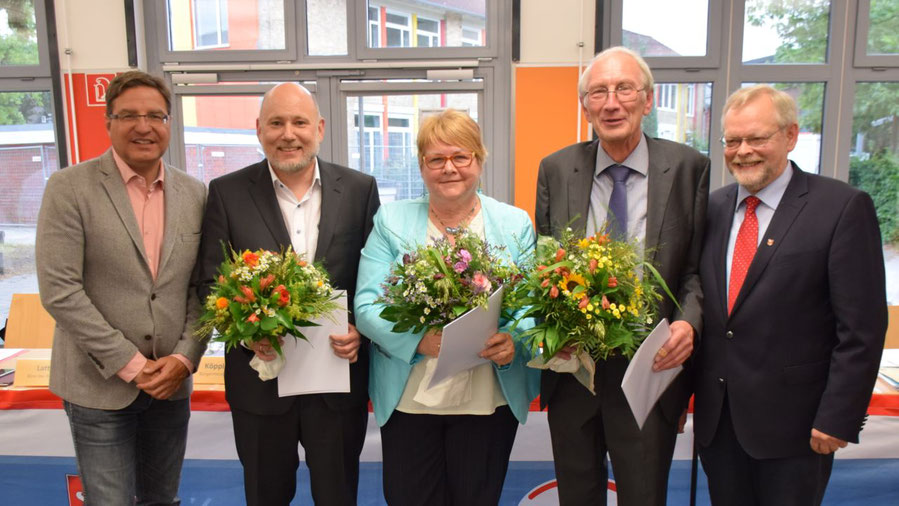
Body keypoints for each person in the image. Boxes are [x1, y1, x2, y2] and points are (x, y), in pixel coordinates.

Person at [694, 84, 887, 505]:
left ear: (790, 136)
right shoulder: (711, 209)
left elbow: (862, 328)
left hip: (798, 430)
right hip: (720, 428)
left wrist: (839, 415)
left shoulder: (841, 207)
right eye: (732, 141)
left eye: (757, 138)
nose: (743, 151)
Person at [534, 46, 709, 505]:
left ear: (647, 100)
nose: (612, 103)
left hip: (651, 370)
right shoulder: (556, 169)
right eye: (599, 92)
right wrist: (553, 329)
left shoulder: (689, 167)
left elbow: (696, 269)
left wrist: (688, 322)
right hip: (574, 371)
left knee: (644, 495)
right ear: (585, 105)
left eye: (624, 89)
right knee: (576, 495)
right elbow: (545, 264)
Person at [196, 82, 379, 506]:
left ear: (320, 127)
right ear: (259, 129)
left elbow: (375, 279)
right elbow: (209, 282)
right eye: (276, 123)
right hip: (260, 387)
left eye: (299, 122)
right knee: (265, 496)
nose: (288, 133)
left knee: (338, 497)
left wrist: (362, 333)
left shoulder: (359, 189)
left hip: (335, 385)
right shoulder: (226, 192)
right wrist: (245, 333)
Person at [35, 70, 207, 505]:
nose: (143, 126)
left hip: (170, 386)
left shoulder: (195, 194)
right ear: (108, 122)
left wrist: (185, 358)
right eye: (129, 115)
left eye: (155, 115)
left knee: (162, 501)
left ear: (169, 123)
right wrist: (131, 363)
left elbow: (202, 289)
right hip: (98, 387)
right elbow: (60, 290)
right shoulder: (69, 188)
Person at [354, 109, 539, 506]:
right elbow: (366, 305)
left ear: (480, 159)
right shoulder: (392, 219)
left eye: (460, 157)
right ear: (422, 166)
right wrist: (422, 341)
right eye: (436, 159)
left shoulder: (514, 222)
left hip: (489, 397)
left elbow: (531, 307)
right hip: (411, 398)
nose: (448, 168)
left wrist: (514, 340)